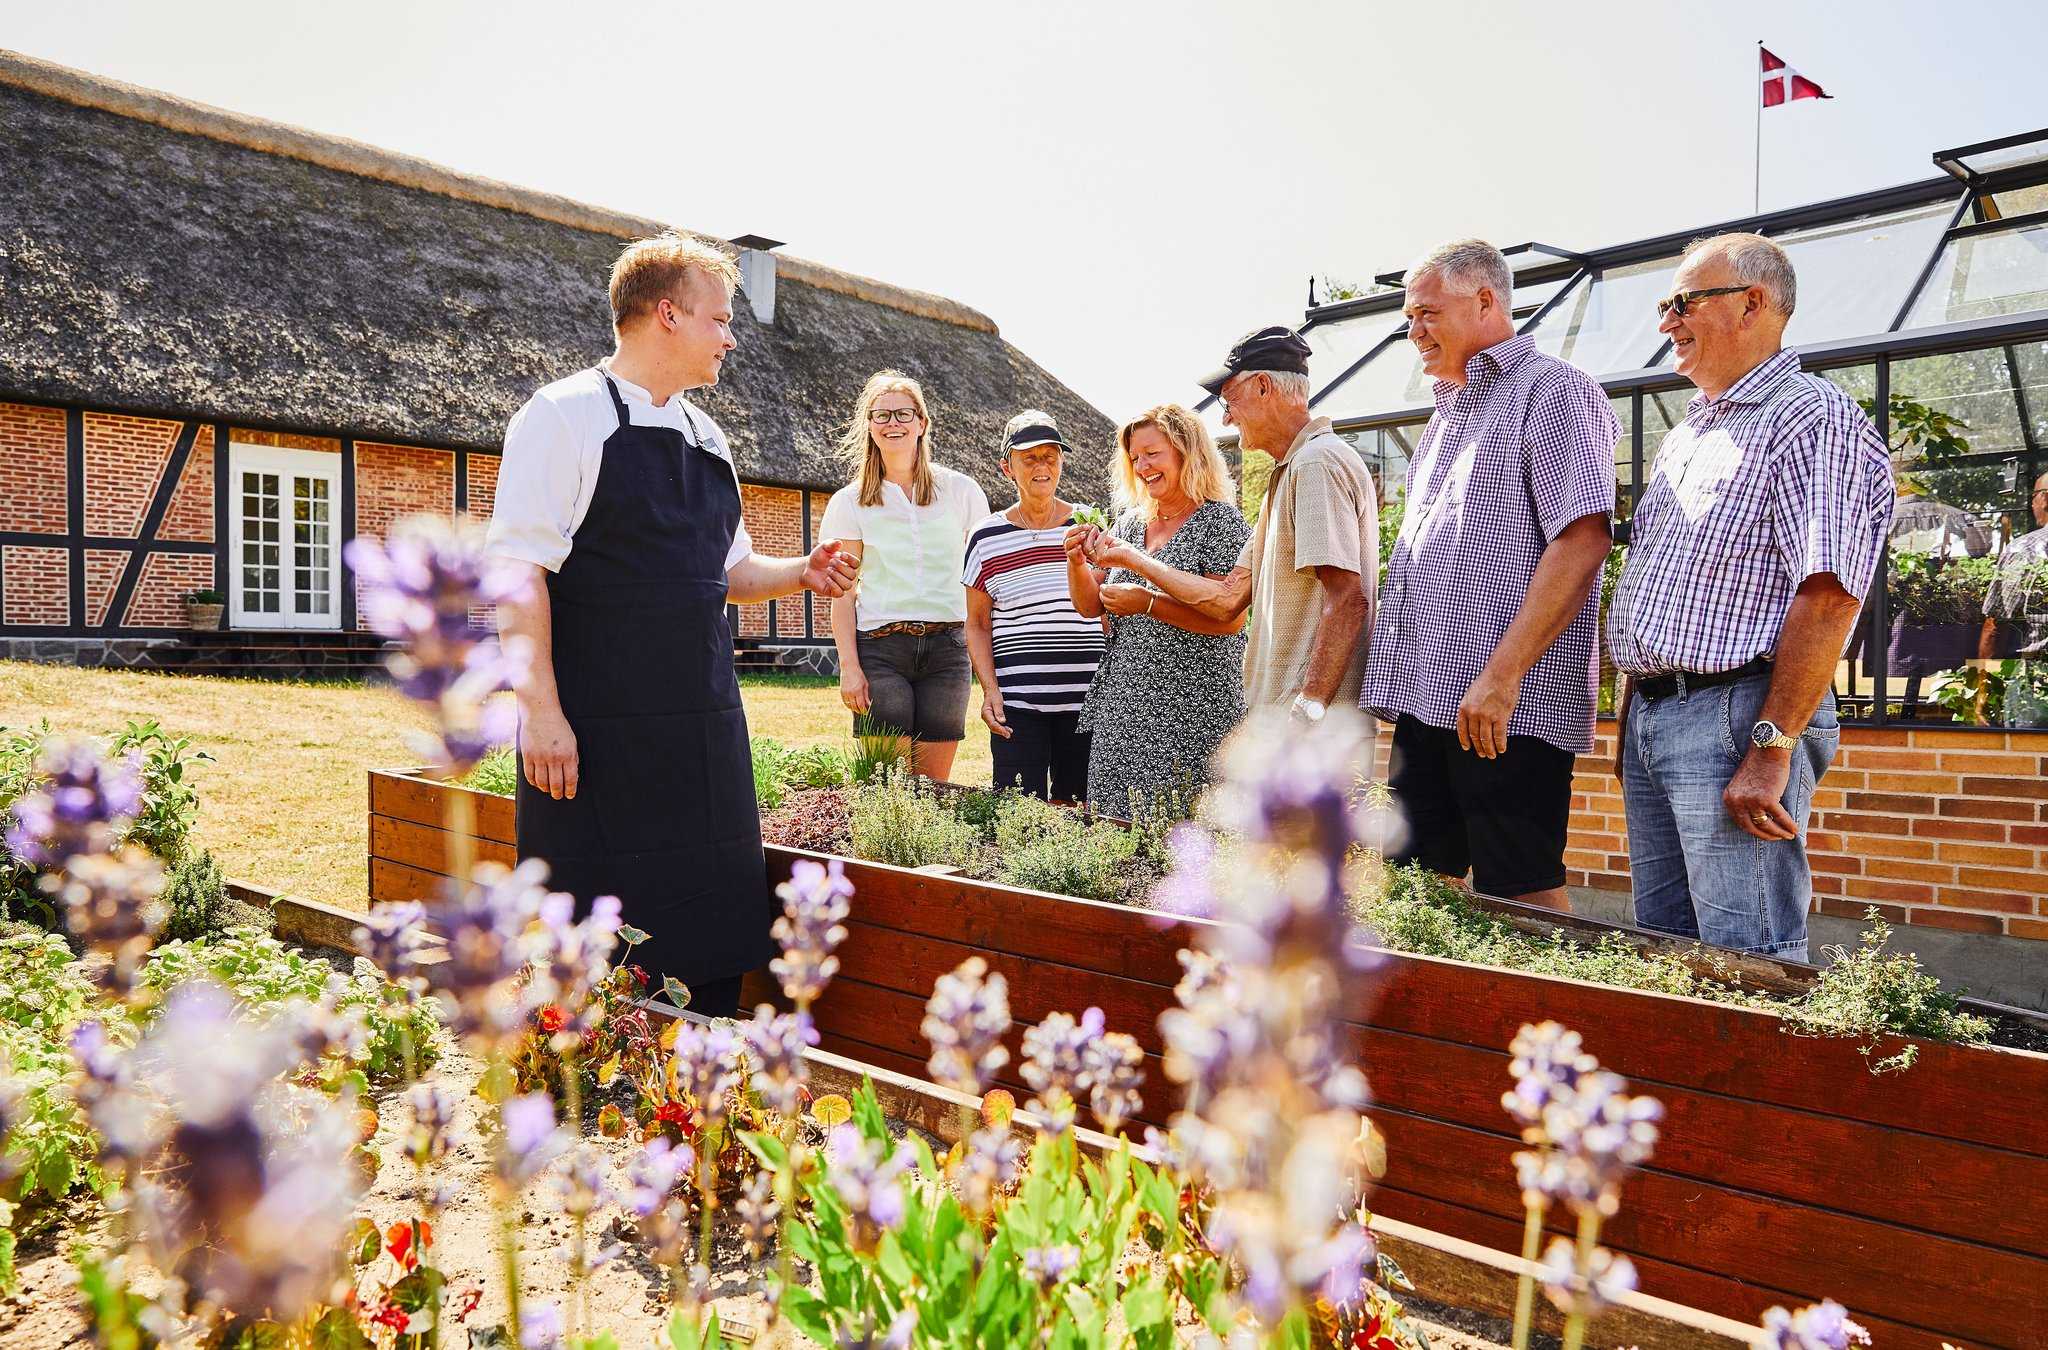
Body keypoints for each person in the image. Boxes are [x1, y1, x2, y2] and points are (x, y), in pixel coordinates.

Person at [487, 233, 858, 1017]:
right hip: (594, 734)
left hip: (703, 733)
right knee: (592, 934)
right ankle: (585, 1102)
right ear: (666, 314)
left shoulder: (707, 436)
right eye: (719, 319)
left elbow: (726, 572)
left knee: (710, 925)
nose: (729, 338)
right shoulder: (562, 416)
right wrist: (541, 713)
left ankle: (695, 1096)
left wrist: (803, 571)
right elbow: (518, 574)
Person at [1608, 232, 1892, 962]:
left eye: (1680, 302)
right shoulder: (1692, 432)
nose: (1665, 322)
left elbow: (1828, 594)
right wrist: (1632, 711)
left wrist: (1771, 746)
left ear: (1751, 304)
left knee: (1749, 960)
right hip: (1659, 718)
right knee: (1667, 954)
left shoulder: (1810, 416)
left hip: (1739, 718)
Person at [1362, 240, 1619, 913]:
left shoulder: (1555, 391)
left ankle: (1548, 1020)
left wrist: (1502, 679)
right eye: (1407, 318)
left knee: (1524, 893)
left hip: (1508, 706)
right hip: (1431, 700)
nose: (1414, 331)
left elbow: (1584, 538)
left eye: (1427, 313)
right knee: (1414, 888)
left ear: (1485, 301)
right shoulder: (1445, 415)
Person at [1103, 327, 1376, 725]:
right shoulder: (1289, 472)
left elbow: (1349, 599)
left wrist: (1308, 707)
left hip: (1312, 731)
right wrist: (1133, 558)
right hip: (1285, 718)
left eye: (1230, 399)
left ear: (1263, 386)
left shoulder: (1317, 465)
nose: (1227, 416)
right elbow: (1226, 599)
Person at [1069, 404, 1249, 818]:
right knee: (1115, 828)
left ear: (1186, 452)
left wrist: (1147, 603)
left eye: (1153, 453)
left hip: (1194, 708)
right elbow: (1088, 605)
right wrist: (1075, 561)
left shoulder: (1218, 521)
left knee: (1186, 835)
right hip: (1126, 703)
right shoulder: (1130, 524)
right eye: (1135, 458)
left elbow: (1230, 618)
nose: (1143, 466)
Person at [823, 371, 991, 781]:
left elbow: (985, 580)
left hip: (947, 651)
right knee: (888, 790)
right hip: (881, 651)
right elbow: (842, 594)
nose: (892, 423)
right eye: (881, 415)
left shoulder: (962, 491)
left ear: (922, 423)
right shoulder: (849, 502)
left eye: (903, 414)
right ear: (869, 426)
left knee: (932, 790)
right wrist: (849, 666)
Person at [963, 411, 1106, 800]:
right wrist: (989, 690)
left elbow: (1109, 608)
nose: (1042, 466)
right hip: (1017, 705)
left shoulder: (1088, 525)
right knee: (1019, 816)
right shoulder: (984, 537)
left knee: (1081, 816)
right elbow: (976, 623)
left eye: (1051, 456)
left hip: (1088, 699)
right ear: (1007, 467)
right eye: (1030, 458)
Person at [1978, 471, 2048, 727]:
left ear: (2045, 500)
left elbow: (1996, 625)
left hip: (2040, 681)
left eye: (2033, 498)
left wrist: (1980, 696)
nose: (2031, 506)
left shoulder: (2025, 549)